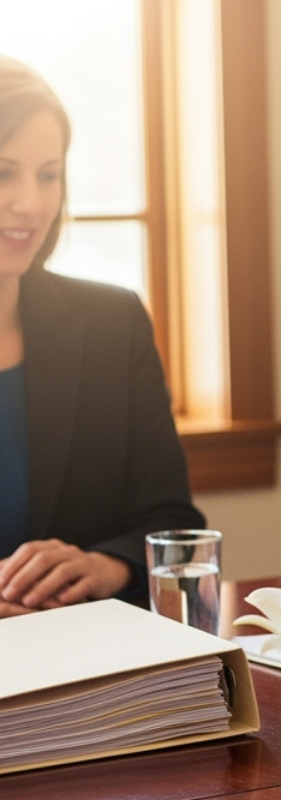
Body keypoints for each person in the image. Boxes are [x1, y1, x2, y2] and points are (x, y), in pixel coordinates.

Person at [0, 57, 203, 617]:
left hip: (87, 674)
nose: (31, 204)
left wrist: (104, 566)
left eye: (48, 174)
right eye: (3, 172)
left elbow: (174, 524)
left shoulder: (113, 323)